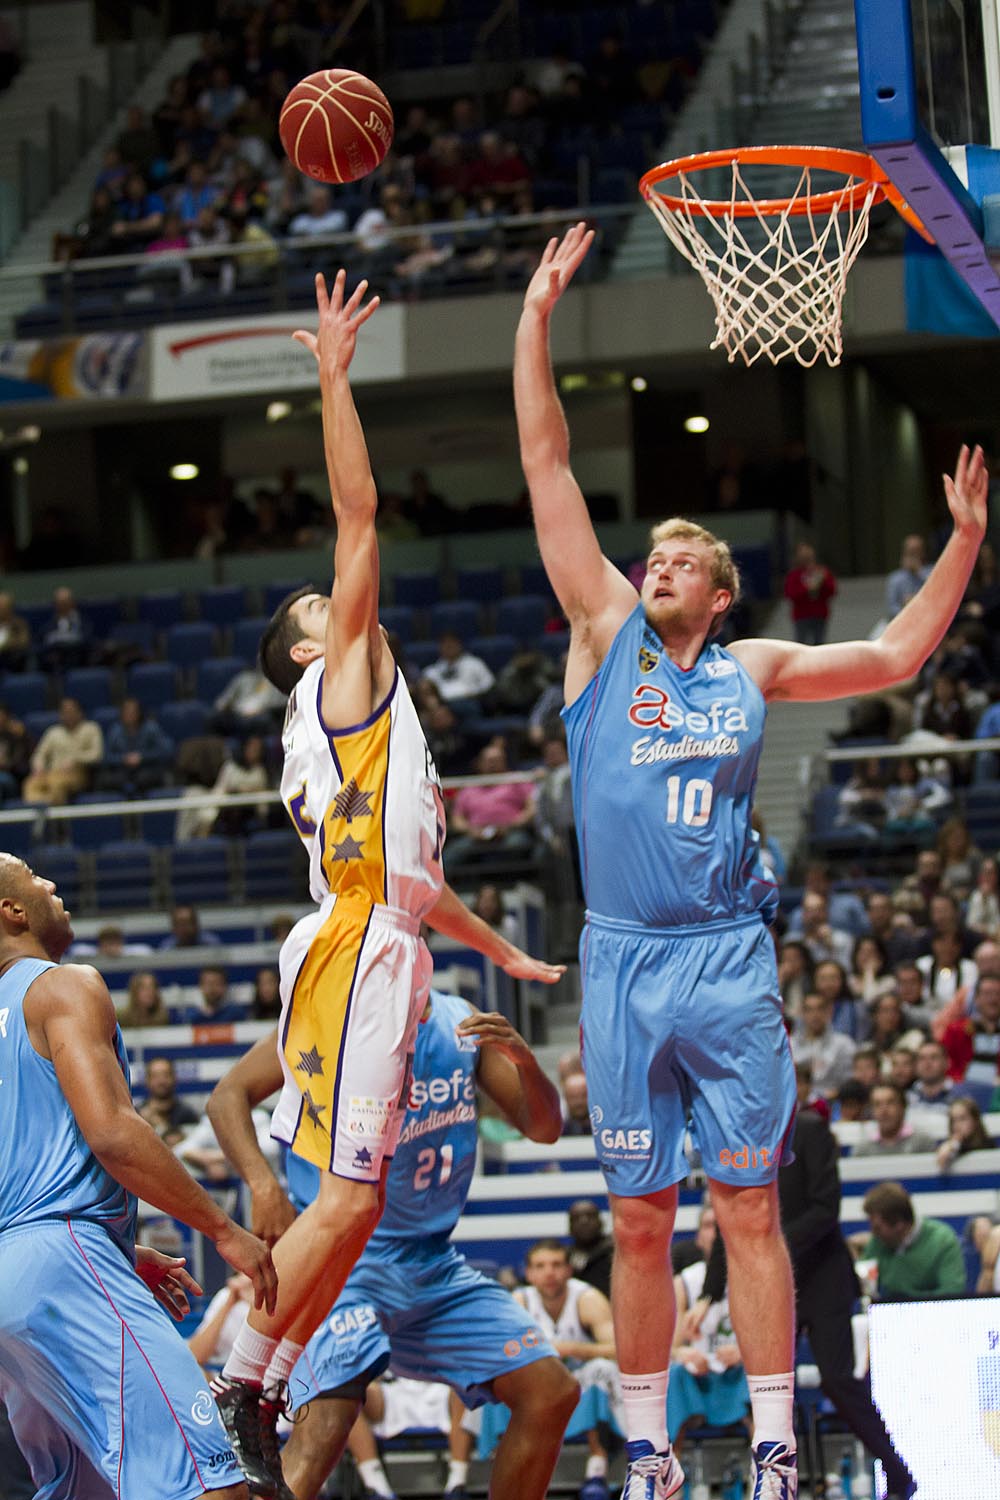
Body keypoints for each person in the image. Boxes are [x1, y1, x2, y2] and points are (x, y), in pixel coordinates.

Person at [512, 218, 988, 1500]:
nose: (655, 562)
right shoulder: (602, 632)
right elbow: (548, 461)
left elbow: (889, 659)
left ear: (719, 594)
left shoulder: (752, 668)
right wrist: (536, 319)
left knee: (750, 1213)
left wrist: (959, 545)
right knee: (634, 1220)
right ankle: (652, 1451)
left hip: (723, 958)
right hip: (619, 962)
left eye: (680, 559)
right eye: (651, 554)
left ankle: (777, 1445)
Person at [226, 270, 565, 1490]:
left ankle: (252, 1374)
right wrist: (331, 374)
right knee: (353, 1197)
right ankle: (247, 1377)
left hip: (372, 928)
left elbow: (414, 879)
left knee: (359, 1202)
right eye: (325, 605)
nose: (347, 600)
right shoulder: (347, 678)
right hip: (359, 944)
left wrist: (501, 949)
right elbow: (359, 512)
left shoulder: (350, 724)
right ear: (311, 645)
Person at [206, 992, 580, 1500]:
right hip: (343, 1262)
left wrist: (525, 1063)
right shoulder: (334, 1007)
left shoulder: (459, 1022)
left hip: (431, 1263)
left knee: (551, 1393)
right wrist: (263, 1185)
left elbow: (545, 1128)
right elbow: (227, 1095)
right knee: (326, 1428)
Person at [0, 852, 276, 1500]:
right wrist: (221, 1228)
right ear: (11, 911)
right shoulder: (62, 985)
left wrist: (119, 1250)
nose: (51, 885)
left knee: (82, 1493)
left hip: (16, 1279)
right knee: (213, 1486)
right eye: (35, 878)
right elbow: (113, 1133)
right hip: (65, 1259)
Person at [689, 1109, 916, 1500]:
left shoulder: (809, 1130)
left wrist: (768, 1248)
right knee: (771, 1386)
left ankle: (897, 1473)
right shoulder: (732, 1133)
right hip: (772, 1281)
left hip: (823, 1277)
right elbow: (729, 1225)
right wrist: (709, 1293)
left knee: (838, 1380)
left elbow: (825, 1209)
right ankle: (779, 1480)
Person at [516, 1239, 620, 1499]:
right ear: (529, 1273)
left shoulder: (587, 1298)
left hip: (581, 1382)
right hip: (539, 1385)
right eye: (540, 1266)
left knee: (600, 1370)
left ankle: (597, 1469)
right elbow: (500, 1352)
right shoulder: (519, 1302)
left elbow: (618, 1349)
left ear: (568, 1270)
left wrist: (573, 1348)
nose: (549, 1272)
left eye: (556, 1264)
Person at [857, 1181, 966, 1298]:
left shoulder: (943, 1240)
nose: (873, 1233)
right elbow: (865, 1290)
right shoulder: (877, 1243)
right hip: (890, 1312)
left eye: (878, 1228)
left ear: (899, 1223)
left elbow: (952, 1292)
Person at [21, 696, 103, 804]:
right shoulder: (53, 732)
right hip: (51, 773)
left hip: (78, 774)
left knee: (57, 784)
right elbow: (39, 754)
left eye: (71, 711)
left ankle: (56, 818)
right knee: (29, 784)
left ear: (80, 712)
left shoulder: (91, 728)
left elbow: (97, 754)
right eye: (64, 712)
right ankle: (40, 811)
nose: (68, 715)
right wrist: (38, 766)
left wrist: (76, 760)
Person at [790, 991, 856, 1098]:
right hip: (798, 1104)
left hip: (833, 1103)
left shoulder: (844, 1044)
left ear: (829, 1012)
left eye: (820, 1009)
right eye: (809, 1010)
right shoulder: (790, 1045)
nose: (815, 1015)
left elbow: (849, 1081)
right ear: (802, 1013)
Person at [850, 1083, 937, 1157]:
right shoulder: (862, 1150)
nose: (884, 1110)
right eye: (877, 1104)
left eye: (890, 1103)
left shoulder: (923, 1144)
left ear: (903, 1107)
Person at [783, 543, 836, 646]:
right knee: (801, 644)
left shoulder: (821, 572)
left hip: (819, 613)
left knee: (819, 643)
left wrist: (822, 583)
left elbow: (832, 591)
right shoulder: (794, 575)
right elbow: (790, 594)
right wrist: (808, 588)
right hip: (802, 615)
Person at [568, 1199, 615, 1299]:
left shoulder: (615, 1251)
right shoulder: (565, 1258)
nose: (584, 1222)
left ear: (601, 1222)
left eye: (590, 1216)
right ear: (570, 1227)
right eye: (577, 1218)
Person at [935, 1094, 993, 1170]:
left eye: (962, 1119)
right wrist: (954, 1143)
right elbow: (942, 1158)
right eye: (953, 1120)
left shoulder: (987, 1144)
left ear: (975, 1120)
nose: (957, 1125)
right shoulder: (954, 1145)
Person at [886, 534, 931, 619]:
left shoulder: (931, 572)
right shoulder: (895, 578)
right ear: (904, 553)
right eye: (910, 551)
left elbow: (936, 597)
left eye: (917, 551)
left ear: (923, 553)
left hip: (927, 619)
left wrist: (918, 572)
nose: (913, 555)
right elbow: (892, 608)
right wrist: (907, 613)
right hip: (904, 622)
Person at [908, 1038, 959, 1110]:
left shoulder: (961, 1096)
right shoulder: (906, 1098)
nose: (927, 1063)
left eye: (934, 1057)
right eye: (922, 1058)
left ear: (947, 1063)